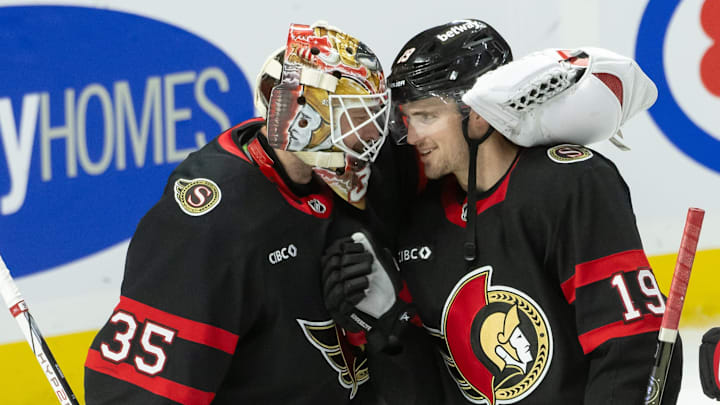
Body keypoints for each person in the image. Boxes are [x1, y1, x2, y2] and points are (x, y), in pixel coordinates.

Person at [321, 19, 683, 404]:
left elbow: (631, 344)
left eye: (427, 116)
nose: (411, 137)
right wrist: (387, 324)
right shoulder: (418, 221)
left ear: (478, 113)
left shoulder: (569, 185)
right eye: (407, 119)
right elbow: (429, 387)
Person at [83, 22, 425, 404]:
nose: (369, 138)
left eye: (372, 120)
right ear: (303, 119)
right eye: (354, 120)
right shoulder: (214, 224)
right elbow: (142, 391)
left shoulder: (350, 173)